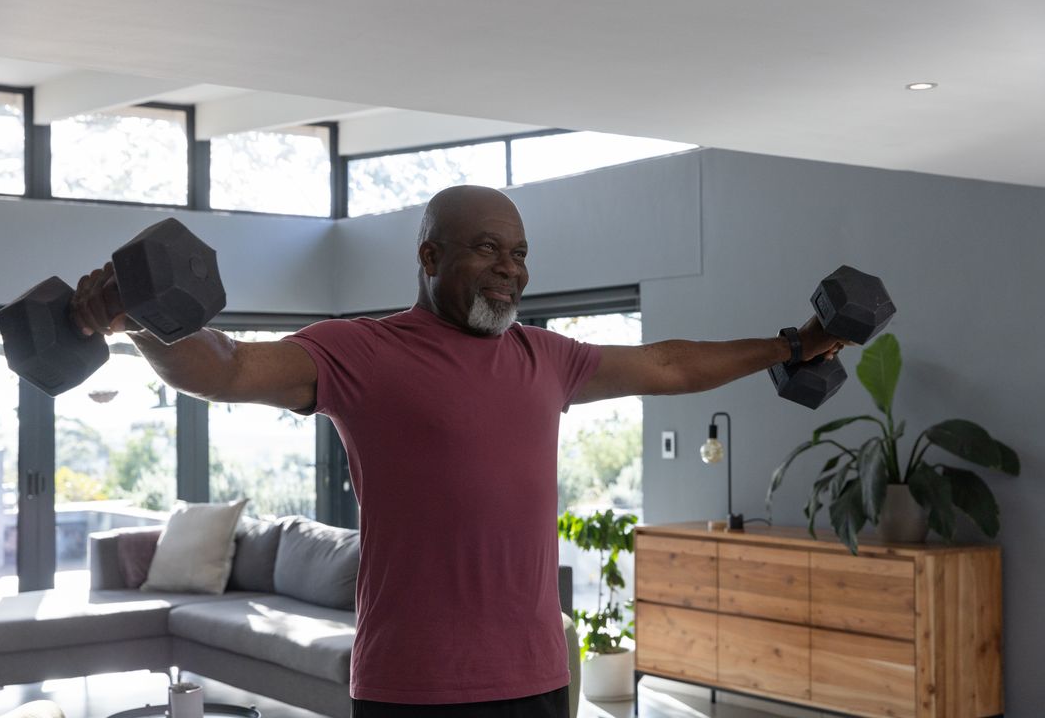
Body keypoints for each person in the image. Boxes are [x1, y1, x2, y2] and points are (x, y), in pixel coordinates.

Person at [70, 185, 841, 718]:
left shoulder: (549, 357)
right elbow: (227, 367)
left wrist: (793, 342)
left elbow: (670, 364)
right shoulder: (360, 351)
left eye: (519, 252)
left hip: (538, 678)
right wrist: (138, 319)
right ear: (430, 258)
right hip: (415, 686)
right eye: (486, 248)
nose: (511, 267)